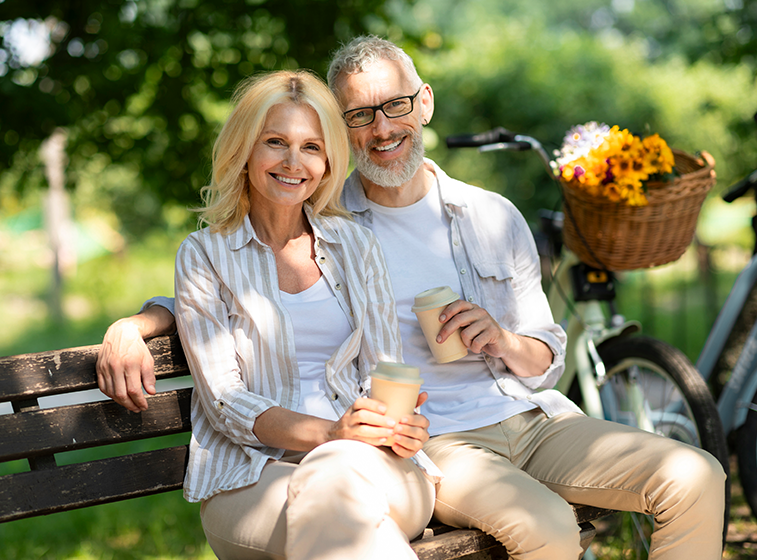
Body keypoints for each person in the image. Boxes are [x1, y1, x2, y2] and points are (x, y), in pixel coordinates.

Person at [98, 38, 726, 559]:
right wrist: (143, 320)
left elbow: (546, 356)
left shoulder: (472, 218)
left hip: (518, 420)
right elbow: (236, 286)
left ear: (423, 103)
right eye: (358, 116)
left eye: (394, 106)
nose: (382, 129)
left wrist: (503, 340)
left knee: (696, 476)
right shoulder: (336, 219)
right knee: (537, 526)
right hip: (432, 444)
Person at [131, 69, 439, 560]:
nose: (294, 162)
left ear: (329, 159)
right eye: (276, 141)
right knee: (334, 509)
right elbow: (227, 402)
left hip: (371, 463)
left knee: (331, 486)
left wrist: (397, 425)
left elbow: (384, 371)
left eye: (312, 147)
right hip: (251, 475)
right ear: (245, 149)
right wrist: (330, 434)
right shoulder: (205, 255)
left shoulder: (355, 244)